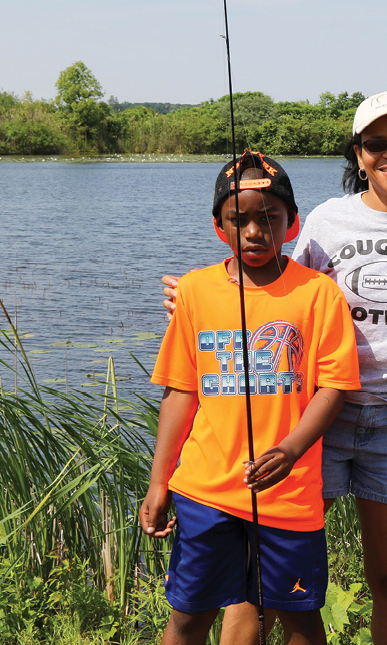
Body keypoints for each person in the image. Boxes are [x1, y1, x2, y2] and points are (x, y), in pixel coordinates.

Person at [164, 92, 387, 645]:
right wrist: (195, 298)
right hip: (309, 421)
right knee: (255, 585)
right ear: (358, 154)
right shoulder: (328, 221)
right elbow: (267, 281)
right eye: (376, 143)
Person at [141, 152, 361, 645]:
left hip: (288, 494)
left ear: (292, 223)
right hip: (204, 491)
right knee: (188, 615)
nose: (255, 232)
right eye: (239, 220)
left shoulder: (318, 294)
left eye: (269, 219)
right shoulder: (195, 292)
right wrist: (160, 481)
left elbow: (335, 387)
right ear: (219, 226)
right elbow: (180, 392)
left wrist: (291, 449)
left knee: (300, 616)